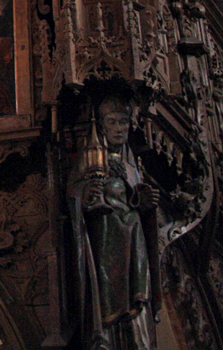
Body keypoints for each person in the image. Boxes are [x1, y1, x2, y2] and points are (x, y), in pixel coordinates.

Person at [69, 98, 156, 349]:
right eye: (112, 122)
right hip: (106, 240)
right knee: (107, 295)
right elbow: (74, 192)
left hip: (132, 241)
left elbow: (137, 200)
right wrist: (86, 195)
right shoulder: (91, 158)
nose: (119, 128)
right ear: (102, 127)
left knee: (135, 296)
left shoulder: (131, 165)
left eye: (124, 122)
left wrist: (145, 203)